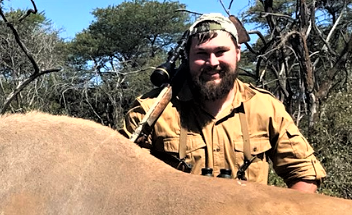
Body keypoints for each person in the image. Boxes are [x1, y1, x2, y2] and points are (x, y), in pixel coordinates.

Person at [122, 13, 326, 192]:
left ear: (237, 53)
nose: (212, 62)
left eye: (221, 52)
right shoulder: (150, 110)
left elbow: (305, 174)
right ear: (188, 57)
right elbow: (121, 177)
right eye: (201, 54)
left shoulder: (265, 107)